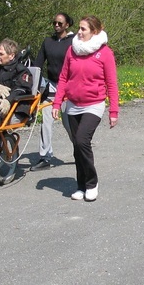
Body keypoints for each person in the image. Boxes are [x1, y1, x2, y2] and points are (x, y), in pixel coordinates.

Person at [52, 15, 119, 202]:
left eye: (83, 29)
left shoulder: (105, 53)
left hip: (94, 104)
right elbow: (64, 78)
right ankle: (81, 186)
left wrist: (113, 111)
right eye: (79, 29)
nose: (79, 32)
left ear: (95, 32)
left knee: (82, 140)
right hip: (73, 104)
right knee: (77, 146)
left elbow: (112, 83)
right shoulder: (72, 50)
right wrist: (57, 102)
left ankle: (91, 183)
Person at [30, 13, 74, 171]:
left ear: (67, 25)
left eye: (60, 23)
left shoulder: (73, 42)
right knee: (46, 120)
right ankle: (45, 157)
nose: (56, 25)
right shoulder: (48, 42)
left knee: (68, 124)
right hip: (52, 86)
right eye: (54, 23)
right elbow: (38, 64)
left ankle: (80, 149)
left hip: (69, 87)